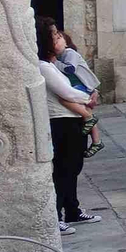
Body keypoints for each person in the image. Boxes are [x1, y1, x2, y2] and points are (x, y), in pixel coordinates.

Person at [36, 17, 100, 231]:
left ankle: (72, 209)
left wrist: (89, 93)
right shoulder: (43, 66)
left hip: (73, 119)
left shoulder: (55, 64)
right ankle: (56, 215)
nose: (58, 38)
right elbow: (65, 92)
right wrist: (87, 98)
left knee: (73, 167)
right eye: (54, 35)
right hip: (61, 121)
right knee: (64, 168)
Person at [54, 31, 103, 157]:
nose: (56, 42)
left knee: (65, 100)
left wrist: (54, 63)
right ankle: (97, 141)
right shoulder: (59, 56)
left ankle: (89, 120)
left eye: (59, 39)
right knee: (87, 111)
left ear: (66, 43)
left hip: (83, 85)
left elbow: (70, 69)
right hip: (77, 86)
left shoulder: (69, 53)